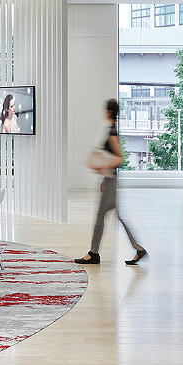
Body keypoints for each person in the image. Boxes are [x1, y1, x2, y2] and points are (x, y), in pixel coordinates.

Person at [75, 99, 148, 265]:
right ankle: (138, 248)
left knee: (100, 217)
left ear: (108, 111)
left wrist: (102, 167)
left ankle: (93, 253)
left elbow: (119, 159)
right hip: (109, 180)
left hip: (111, 181)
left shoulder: (112, 132)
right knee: (117, 216)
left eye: (105, 109)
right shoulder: (112, 129)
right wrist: (104, 176)